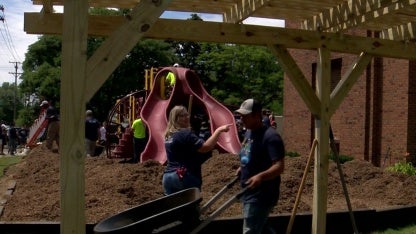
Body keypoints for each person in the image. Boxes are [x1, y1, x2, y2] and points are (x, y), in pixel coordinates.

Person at [235, 98, 285, 234]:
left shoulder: (271, 137)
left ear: (257, 115)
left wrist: (261, 176)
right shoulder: (249, 132)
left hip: (262, 194)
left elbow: (279, 166)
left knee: (250, 229)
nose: (241, 119)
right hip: (248, 190)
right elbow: (249, 153)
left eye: (245, 116)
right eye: (240, 116)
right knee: (261, 228)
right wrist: (243, 167)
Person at [162, 105, 231, 195]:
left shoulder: (169, 136)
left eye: (187, 114)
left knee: (174, 208)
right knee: (191, 207)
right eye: (184, 115)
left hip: (168, 177)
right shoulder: (185, 134)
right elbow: (205, 147)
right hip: (183, 175)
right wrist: (218, 131)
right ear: (177, 118)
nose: (187, 117)